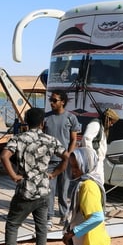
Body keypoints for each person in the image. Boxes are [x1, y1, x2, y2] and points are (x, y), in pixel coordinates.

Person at [0, 108, 68, 245]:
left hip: (25, 190)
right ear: (43, 122)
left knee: (13, 225)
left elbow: (4, 156)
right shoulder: (50, 139)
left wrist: (14, 175)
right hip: (44, 190)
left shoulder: (19, 139)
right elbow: (66, 157)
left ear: (27, 122)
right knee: (41, 227)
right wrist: (54, 173)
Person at [44, 90, 81, 228]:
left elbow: (73, 139)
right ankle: (49, 217)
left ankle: (63, 215)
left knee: (64, 190)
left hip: (65, 161)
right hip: (50, 161)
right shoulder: (46, 118)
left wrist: (69, 156)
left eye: (54, 100)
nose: (52, 103)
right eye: (51, 100)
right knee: (49, 190)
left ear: (62, 102)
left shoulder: (71, 118)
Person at [81, 109, 119, 184]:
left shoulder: (101, 126)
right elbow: (86, 138)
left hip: (98, 161)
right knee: (94, 183)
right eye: (111, 122)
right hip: (93, 161)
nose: (111, 125)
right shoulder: (95, 124)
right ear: (107, 119)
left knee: (99, 183)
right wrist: (92, 156)